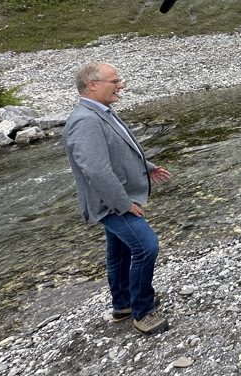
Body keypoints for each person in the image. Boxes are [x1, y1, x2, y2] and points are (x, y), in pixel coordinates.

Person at [63, 62, 173, 335]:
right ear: (92, 85)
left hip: (116, 198)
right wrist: (124, 204)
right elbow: (96, 171)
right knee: (146, 247)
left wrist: (147, 167)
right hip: (111, 202)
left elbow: (119, 149)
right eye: (115, 81)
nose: (121, 85)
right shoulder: (85, 121)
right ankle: (143, 311)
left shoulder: (101, 111)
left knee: (120, 251)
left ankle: (123, 304)